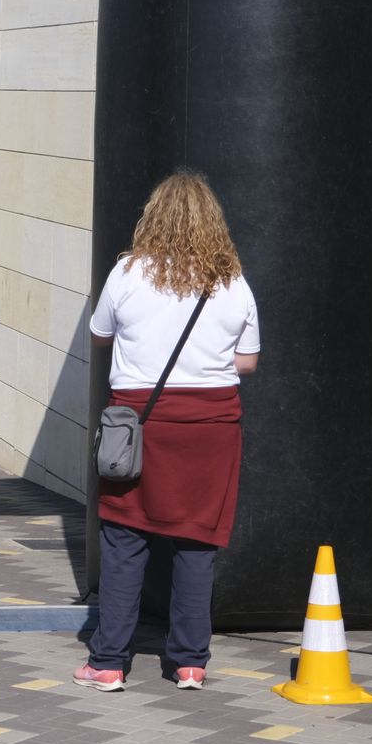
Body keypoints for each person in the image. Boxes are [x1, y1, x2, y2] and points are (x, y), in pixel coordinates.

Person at [74, 169, 259, 694]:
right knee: (197, 541)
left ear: (152, 217)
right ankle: (189, 663)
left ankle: (108, 662)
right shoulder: (233, 281)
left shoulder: (127, 274)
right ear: (213, 222)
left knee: (124, 537)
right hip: (211, 427)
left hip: (139, 423)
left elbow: (99, 335)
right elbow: (247, 361)